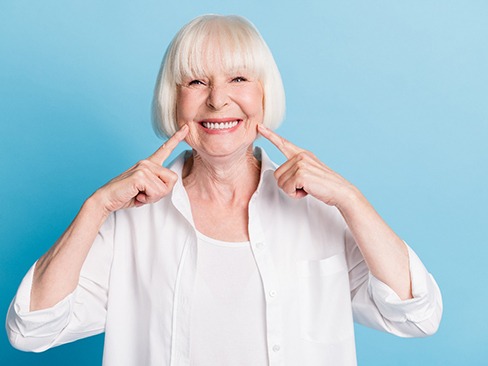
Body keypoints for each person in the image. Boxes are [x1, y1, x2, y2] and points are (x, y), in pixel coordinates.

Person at [6, 14, 442, 366]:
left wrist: (350, 198)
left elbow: (416, 315)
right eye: (196, 81)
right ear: (172, 99)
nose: (217, 100)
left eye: (238, 79)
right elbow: (31, 330)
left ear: (264, 94)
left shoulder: (320, 211)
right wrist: (96, 205)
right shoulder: (128, 224)